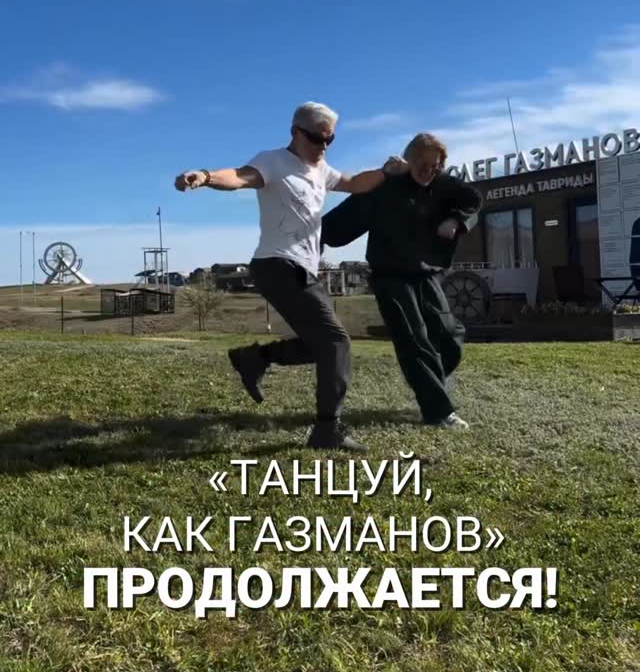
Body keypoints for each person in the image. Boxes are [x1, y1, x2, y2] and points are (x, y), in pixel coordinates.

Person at [174, 102, 407, 452]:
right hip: (277, 264)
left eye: (330, 139)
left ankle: (255, 358)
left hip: (300, 270)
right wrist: (206, 177)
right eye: (317, 138)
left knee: (322, 345)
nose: (323, 146)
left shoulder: (321, 170)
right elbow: (239, 176)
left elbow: (356, 183)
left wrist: (387, 172)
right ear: (296, 132)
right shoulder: (273, 162)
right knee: (337, 342)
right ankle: (327, 430)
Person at [321, 132, 482, 429]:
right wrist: (312, 240)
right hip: (390, 275)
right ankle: (438, 412)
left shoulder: (442, 184)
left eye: (435, 166)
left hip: (426, 273)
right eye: (422, 165)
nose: (428, 171)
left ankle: (429, 382)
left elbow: (473, 199)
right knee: (414, 340)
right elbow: (336, 225)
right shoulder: (385, 187)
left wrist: (455, 220)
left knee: (449, 337)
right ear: (407, 161)